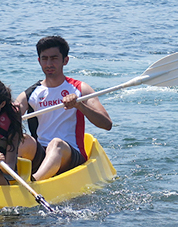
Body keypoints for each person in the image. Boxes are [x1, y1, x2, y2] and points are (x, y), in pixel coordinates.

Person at [15, 36, 112, 181]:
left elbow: (107, 124)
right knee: (21, 139)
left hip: (71, 155)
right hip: (41, 154)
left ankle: (33, 183)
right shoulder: (30, 94)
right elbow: (7, 118)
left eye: (54, 58)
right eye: (44, 58)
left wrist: (79, 105)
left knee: (56, 143)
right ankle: (5, 178)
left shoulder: (80, 89)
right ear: (39, 61)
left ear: (65, 60)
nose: (49, 63)